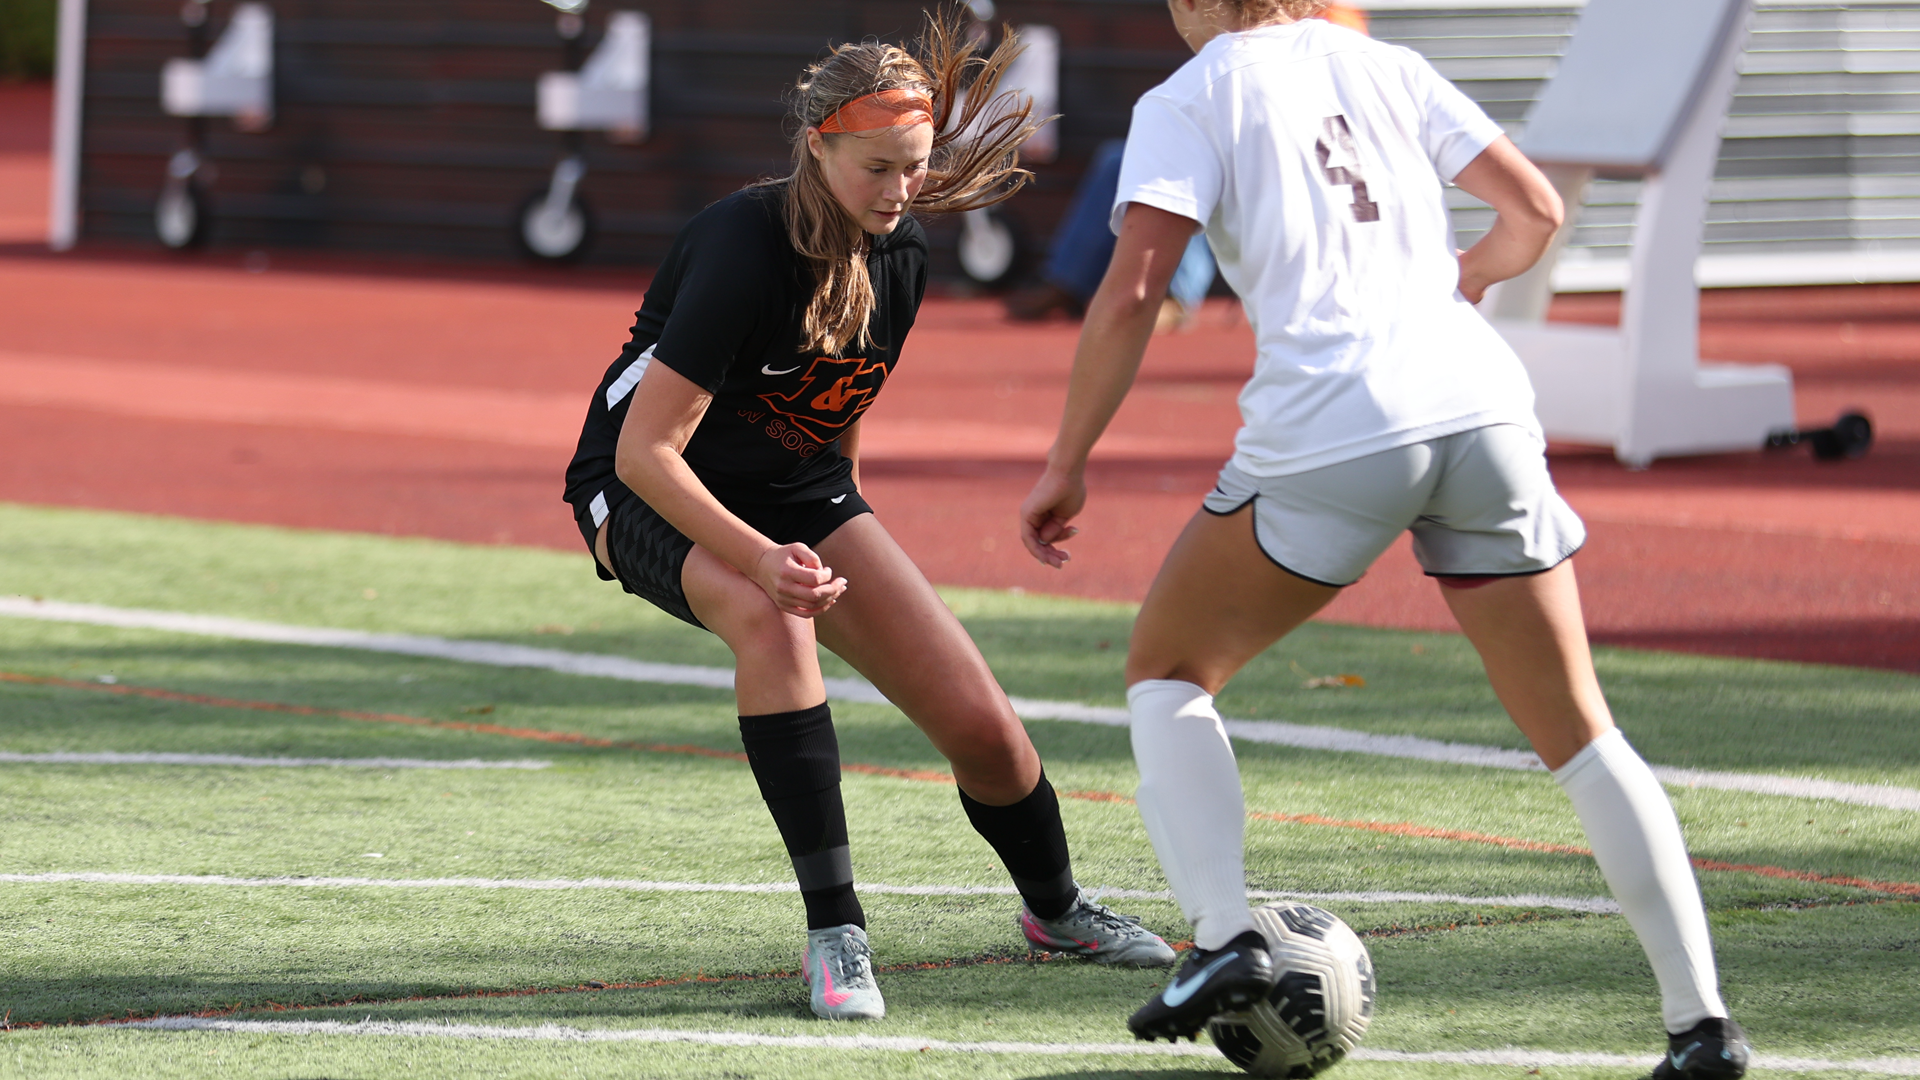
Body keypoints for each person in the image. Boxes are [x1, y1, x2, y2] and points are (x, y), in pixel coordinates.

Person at [1016, 1, 1749, 1076]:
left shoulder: (1192, 93)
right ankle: (1703, 1027)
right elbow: (1536, 210)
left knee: (1168, 668)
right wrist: (1468, 277)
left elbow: (1132, 291)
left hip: (1337, 420)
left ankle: (1222, 939)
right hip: (1484, 405)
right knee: (1584, 735)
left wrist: (1067, 459)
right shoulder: (1387, 63)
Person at [561, 13, 1175, 1023]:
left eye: (915, 168)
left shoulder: (905, 252)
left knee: (984, 729)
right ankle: (836, 931)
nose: (900, 190)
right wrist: (767, 562)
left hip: (796, 488)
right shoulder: (738, 244)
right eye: (879, 168)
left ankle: (1058, 910)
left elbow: (844, 406)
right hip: (640, 484)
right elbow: (644, 452)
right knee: (771, 622)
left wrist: (849, 531)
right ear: (819, 148)